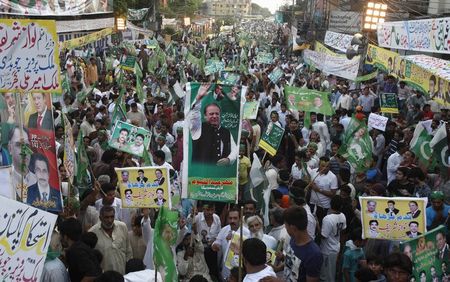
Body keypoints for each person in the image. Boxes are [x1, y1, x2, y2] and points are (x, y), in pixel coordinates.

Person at [188, 84, 237, 166]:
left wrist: (229, 159)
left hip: (219, 176)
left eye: (217, 114)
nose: (214, 116)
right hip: (201, 175)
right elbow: (194, 115)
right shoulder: (197, 128)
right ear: (205, 116)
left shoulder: (226, 132)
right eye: (211, 114)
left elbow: (234, 150)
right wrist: (198, 99)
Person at [282, 206, 322, 281]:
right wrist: (276, 268)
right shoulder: (293, 239)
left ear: (293, 228)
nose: (286, 229)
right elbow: (290, 263)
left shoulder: (314, 254)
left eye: (286, 226)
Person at [89, 206, 133, 275]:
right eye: (106, 217)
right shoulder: (92, 232)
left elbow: (128, 251)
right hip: (104, 277)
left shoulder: (122, 227)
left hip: (123, 274)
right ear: (100, 218)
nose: (110, 220)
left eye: (112, 217)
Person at [59, 218, 102, 282]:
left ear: (65, 237)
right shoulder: (79, 247)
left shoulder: (77, 251)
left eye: (60, 235)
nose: (59, 238)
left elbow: (91, 275)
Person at [320, 195, 347, 282]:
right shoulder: (342, 215)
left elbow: (323, 236)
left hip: (327, 250)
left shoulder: (328, 219)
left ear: (331, 204)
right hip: (336, 247)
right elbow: (343, 232)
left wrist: (317, 225)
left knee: (326, 275)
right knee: (331, 273)